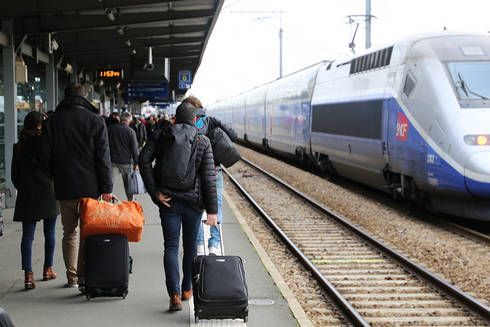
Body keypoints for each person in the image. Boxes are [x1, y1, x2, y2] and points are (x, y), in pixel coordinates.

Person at [139, 102, 218, 312]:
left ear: (175, 118)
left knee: (171, 247)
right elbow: (209, 178)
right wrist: (212, 211)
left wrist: (155, 191)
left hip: (168, 201)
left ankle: (173, 294)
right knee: (190, 247)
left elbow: (143, 160)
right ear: (195, 120)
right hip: (193, 204)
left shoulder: (161, 135)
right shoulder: (203, 141)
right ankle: (186, 289)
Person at [40, 83, 113, 289]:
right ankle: (83, 276)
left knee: (68, 232)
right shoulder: (95, 121)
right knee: (86, 232)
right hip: (90, 188)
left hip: (65, 187)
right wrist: (106, 188)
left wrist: (54, 175)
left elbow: (44, 156)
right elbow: (103, 158)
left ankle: (71, 277)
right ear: (84, 98)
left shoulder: (52, 122)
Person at [182, 96, 237, 255]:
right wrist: (218, 123)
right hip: (214, 170)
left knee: (197, 208)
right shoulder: (210, 121)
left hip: (196, 171)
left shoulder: (190, 123)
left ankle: (200, 245)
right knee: (216, 206)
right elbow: (233, 136)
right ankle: (214, 244)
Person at [11, 111, 59, 290]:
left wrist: (24, 187)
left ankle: (28, 275)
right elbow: (54, 168)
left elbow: (14, 175)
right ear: (39, 126)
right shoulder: (46, 144)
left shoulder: (18, 146)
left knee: (28, 236)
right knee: (50, 232)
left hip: (27, 193)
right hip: (48, 192)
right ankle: (48, 269)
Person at [108, 112, 139, 201]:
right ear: (128, 120)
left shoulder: (110, 128)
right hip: (126, 163)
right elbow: (134, 149)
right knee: (129, 187)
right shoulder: (130, 131)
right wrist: (136, 163)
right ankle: (131, 203)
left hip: (112, 162)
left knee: (109, 185)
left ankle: (106, 204)